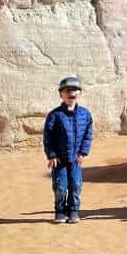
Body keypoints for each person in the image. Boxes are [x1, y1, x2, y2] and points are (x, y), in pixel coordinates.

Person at [42, 75, 94, 224]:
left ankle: (73, 210)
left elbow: (88, 135)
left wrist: (83, 153)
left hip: (76, 159)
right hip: (59, 159)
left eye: (75, 90)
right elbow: (48, 136)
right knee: (60, 186)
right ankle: (59, 211)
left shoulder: (85, 115)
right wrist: (51, 155)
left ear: (79, 93)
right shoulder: (55, 115)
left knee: (76, 185)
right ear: (61, 95)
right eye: (67, 90)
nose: (71, 93)